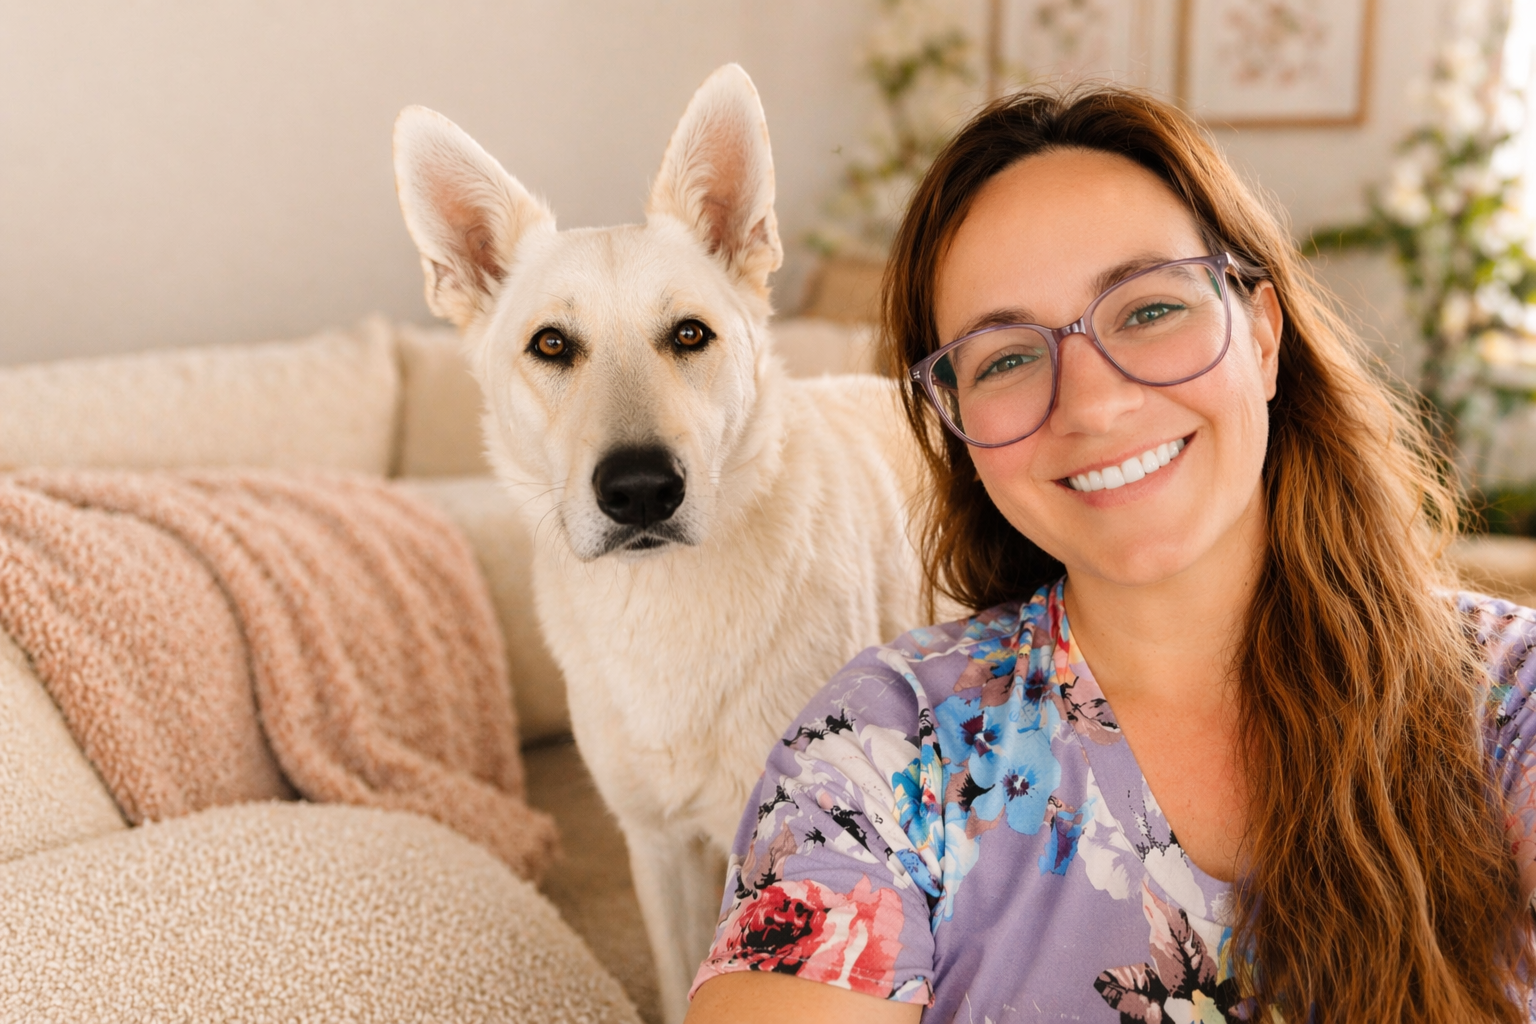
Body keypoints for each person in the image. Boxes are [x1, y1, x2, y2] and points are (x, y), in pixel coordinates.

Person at [682, 85, 1536, 1023]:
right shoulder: (884, 747)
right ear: (958, 423)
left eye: (1149, 309)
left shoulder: (1509, 699)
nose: (1091, 403)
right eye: (1005, 357)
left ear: (1261, 333)